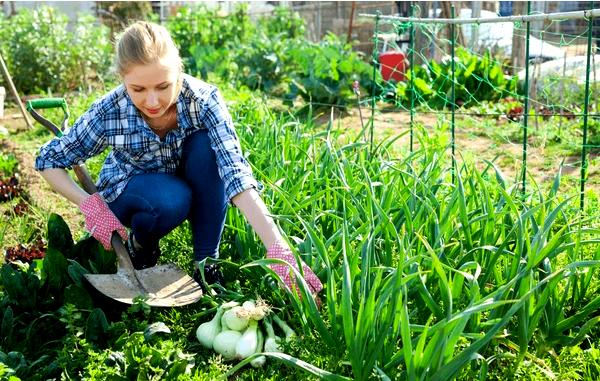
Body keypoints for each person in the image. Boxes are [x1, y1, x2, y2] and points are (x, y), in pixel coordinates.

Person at [34, 21, 322, 298]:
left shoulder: (203, 101)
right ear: (123, 80)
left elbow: (235, 175)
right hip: (129, 193)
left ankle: (206, 265)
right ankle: (140, 246)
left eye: (163, 86)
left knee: (208, 146)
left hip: (181, 183)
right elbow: (48, 159)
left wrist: (278, 248)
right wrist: (89, 204)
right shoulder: (110, 110)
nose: (152, 101)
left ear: (179, 72)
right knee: (171, 198)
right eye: (138, 89)